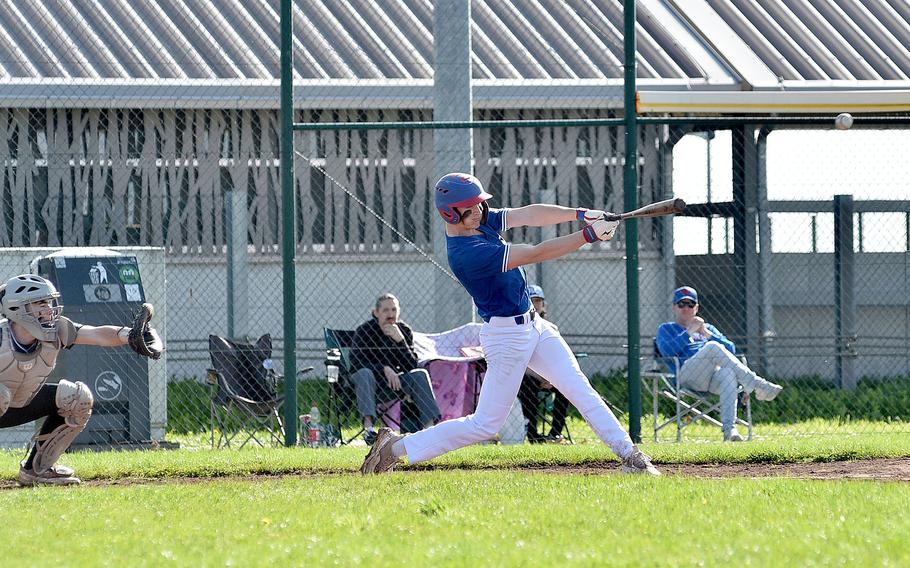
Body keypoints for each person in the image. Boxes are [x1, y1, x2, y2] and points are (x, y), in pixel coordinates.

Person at [361, 172, 660, 475]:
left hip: (535, 325)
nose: (480, 210)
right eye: (471, 206)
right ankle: (393, 449)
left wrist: (582, 214)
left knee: (579, 388)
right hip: (506, 337)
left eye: (479, 204)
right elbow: (536, 253)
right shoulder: (468, 254)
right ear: (449, 212)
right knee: (485, 424)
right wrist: (588, 235)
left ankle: (630, 455)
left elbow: (529, 214)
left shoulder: (478, 219)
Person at [0, 274, 163, 486]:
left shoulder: (56, 331)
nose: (50, 309)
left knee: (77, 398)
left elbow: (97, 334)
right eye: (41, 303)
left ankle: (36, 470)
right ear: (17, 308)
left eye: (50, 302)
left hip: (18, 404)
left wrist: (129, 334)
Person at [655, 286, 783, 442]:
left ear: (696, 308)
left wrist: (706, 333)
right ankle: (757, 384)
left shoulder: (707, 328)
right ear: (674, 307)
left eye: (690, 304)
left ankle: (730, 430)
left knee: (727, 373)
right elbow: (667, 352)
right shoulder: (666, 328)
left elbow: (730, 349)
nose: (686, 308)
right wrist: (689, 331)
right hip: (685, 376)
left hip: (710, 378)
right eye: (681, 304)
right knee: (713, 347)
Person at [349, 293, 441, 445]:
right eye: (385, 310)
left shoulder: (403, 331)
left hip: (395, 383)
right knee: (364, 373)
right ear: (376, 313)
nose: (390, 314)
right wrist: (383, 369)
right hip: (369, 383)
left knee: (420, 374)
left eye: (394, 310)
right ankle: (369, 430)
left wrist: (401, 342)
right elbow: (355, 363)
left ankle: (429, 430)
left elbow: (411, 365)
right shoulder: (364, 331)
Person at [517, 284, 570, 443]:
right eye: (531, 300)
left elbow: (557, 357)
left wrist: (551, 378)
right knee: (528, 386)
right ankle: (533, 434)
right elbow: (521, 362)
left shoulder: (552, 328)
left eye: (538, 301)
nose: (535, 304)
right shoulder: (519, 329)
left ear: (543, 305)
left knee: (564, 387)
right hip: (529, 375)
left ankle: (555, 433)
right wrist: (541, 377)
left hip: (549, 375)